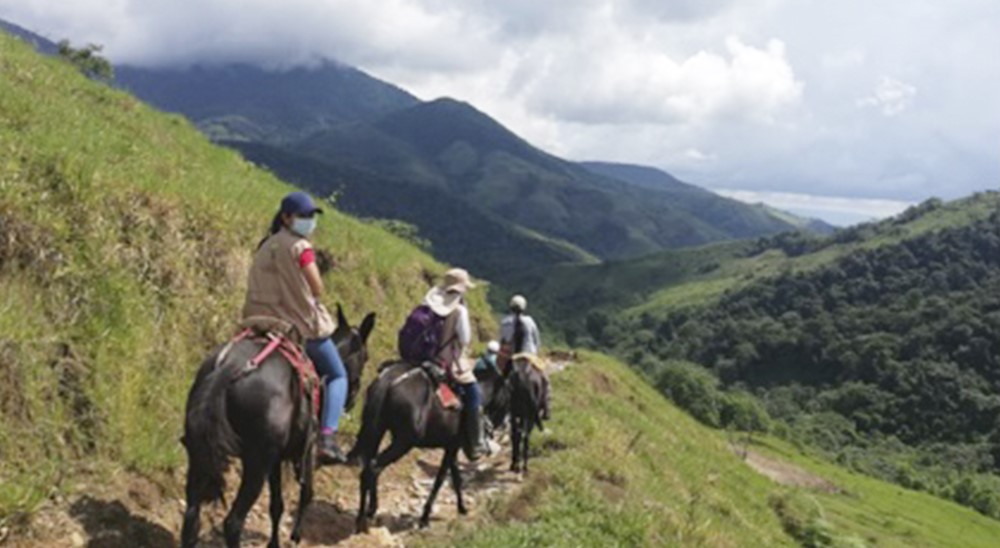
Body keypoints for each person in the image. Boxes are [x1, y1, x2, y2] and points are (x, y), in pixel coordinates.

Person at [242, 191, 349, 465]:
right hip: (298, 327)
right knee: (338, 376)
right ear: (286, 217)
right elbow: (317, 287)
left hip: (258, 321)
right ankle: (327, 437)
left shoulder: (265, 245)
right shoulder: (302, 248)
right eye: (304, 216)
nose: (309, 221)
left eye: (312, 216)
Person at [421, 268, 488, 461]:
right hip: (449, 362)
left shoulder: (429, 303)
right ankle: (476, 443)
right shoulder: (459, 310)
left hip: (426, 358)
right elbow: (465, 339)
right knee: (474, 394)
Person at [500, 295, 550, 420]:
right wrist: (536, 353)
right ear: (524, 308)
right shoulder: (530, 321)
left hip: (512, 358)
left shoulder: (505, 322)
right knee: (545, 379)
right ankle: (546, 409)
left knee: (499, 381)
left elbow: (502, 342)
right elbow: (537, 341)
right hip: (529, 357)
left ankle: (497, 410)